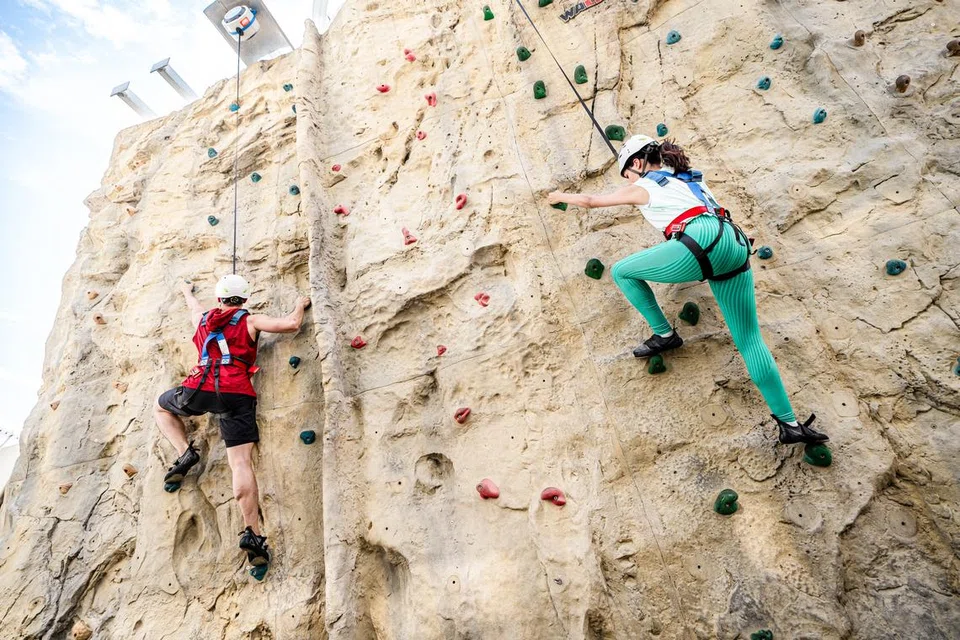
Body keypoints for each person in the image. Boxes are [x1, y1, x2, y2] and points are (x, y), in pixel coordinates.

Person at [547, 135, 828, 445]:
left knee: (621, 271)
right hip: (734, 243)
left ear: (637, 164)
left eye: (626, 173)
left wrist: (557, 195)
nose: (627, 181)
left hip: (702, 239)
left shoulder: (644, 186)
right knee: (750, 340)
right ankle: (790, 424)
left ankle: (664, 334)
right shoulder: (688, 177)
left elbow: (589, 202)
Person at [154, 274, 312, 566]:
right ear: (245, 299)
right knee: (240, 463)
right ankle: (251, 532)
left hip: (198, 390)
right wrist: (300, 305)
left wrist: (186, 291)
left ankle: (184, 453)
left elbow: (193, 307)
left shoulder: (202, 320)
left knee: (161, 407)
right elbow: (291, 325)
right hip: (237, 394)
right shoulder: (249, 321)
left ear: (219, 299)